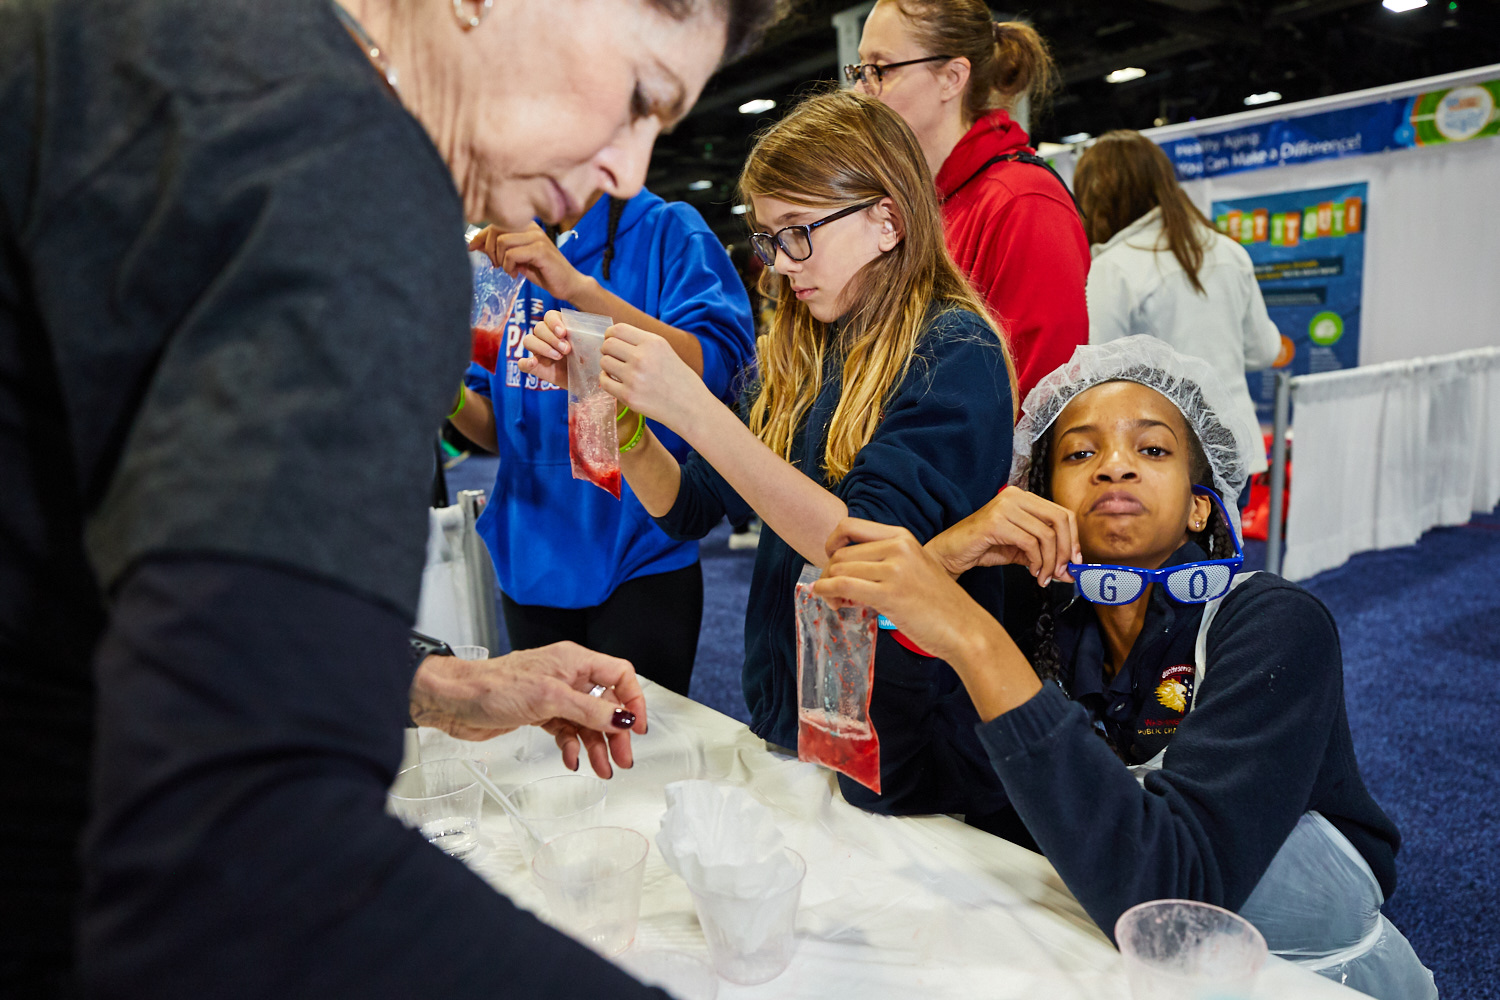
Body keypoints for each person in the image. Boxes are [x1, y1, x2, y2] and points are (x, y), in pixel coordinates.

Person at [0, 0, 780, 996]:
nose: (626, 168)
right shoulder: (345, 169)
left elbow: (133, 586)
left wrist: (436, 687)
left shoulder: (187, 54)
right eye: (639, 96)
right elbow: (236, 851)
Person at [813, 337, 1437, 1000]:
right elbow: (889, 784)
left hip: (1303, 978)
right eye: (1081, 453)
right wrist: (939, 576)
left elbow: (1179, 904)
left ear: (1203, 504)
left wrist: (971, 636)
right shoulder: (1040, 626)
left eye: (1152, 449)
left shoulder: (1276, 626)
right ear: (1041, 498)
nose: (1114, 468)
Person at [520, 90, 1025, 830]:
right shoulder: (800, 348)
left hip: (915, 742)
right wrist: (603, 401)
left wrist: (693, 407)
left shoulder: (954, 352)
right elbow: (688, 507)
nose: (782, 265)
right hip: (793, 717)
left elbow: (861, 552)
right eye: (768, 238)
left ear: (886, 220)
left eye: (799, 233)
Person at [457, 190, 755, 698]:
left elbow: (722, 370)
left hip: (637, 554)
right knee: (556, 759)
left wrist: (578, 288)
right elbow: (496, 430)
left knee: (639, 752)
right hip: (529, 556)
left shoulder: (668, 230)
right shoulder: (502, 254)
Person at [850, 0, 1089, 402]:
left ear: (952, 77)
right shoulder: (922, 203)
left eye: (880, 69)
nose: (861, 89)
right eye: (860, 69)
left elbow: (1043, 403)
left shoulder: (1023, 203)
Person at [1074, 129, 1282, 479]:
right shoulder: (1229, 251)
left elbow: (1093, 372)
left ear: (1097, 196)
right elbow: (1264, 351)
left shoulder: (1114, 266)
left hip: (1160, 457)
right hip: (1233, 451)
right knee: (1225, 536)